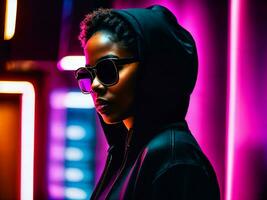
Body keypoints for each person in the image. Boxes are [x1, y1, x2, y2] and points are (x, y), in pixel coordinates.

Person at [75, 5, 220, 200]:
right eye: (88, 74)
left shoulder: (175, 160)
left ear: (151, 68)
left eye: (108, 69)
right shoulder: (126, 154)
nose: (95, 85)